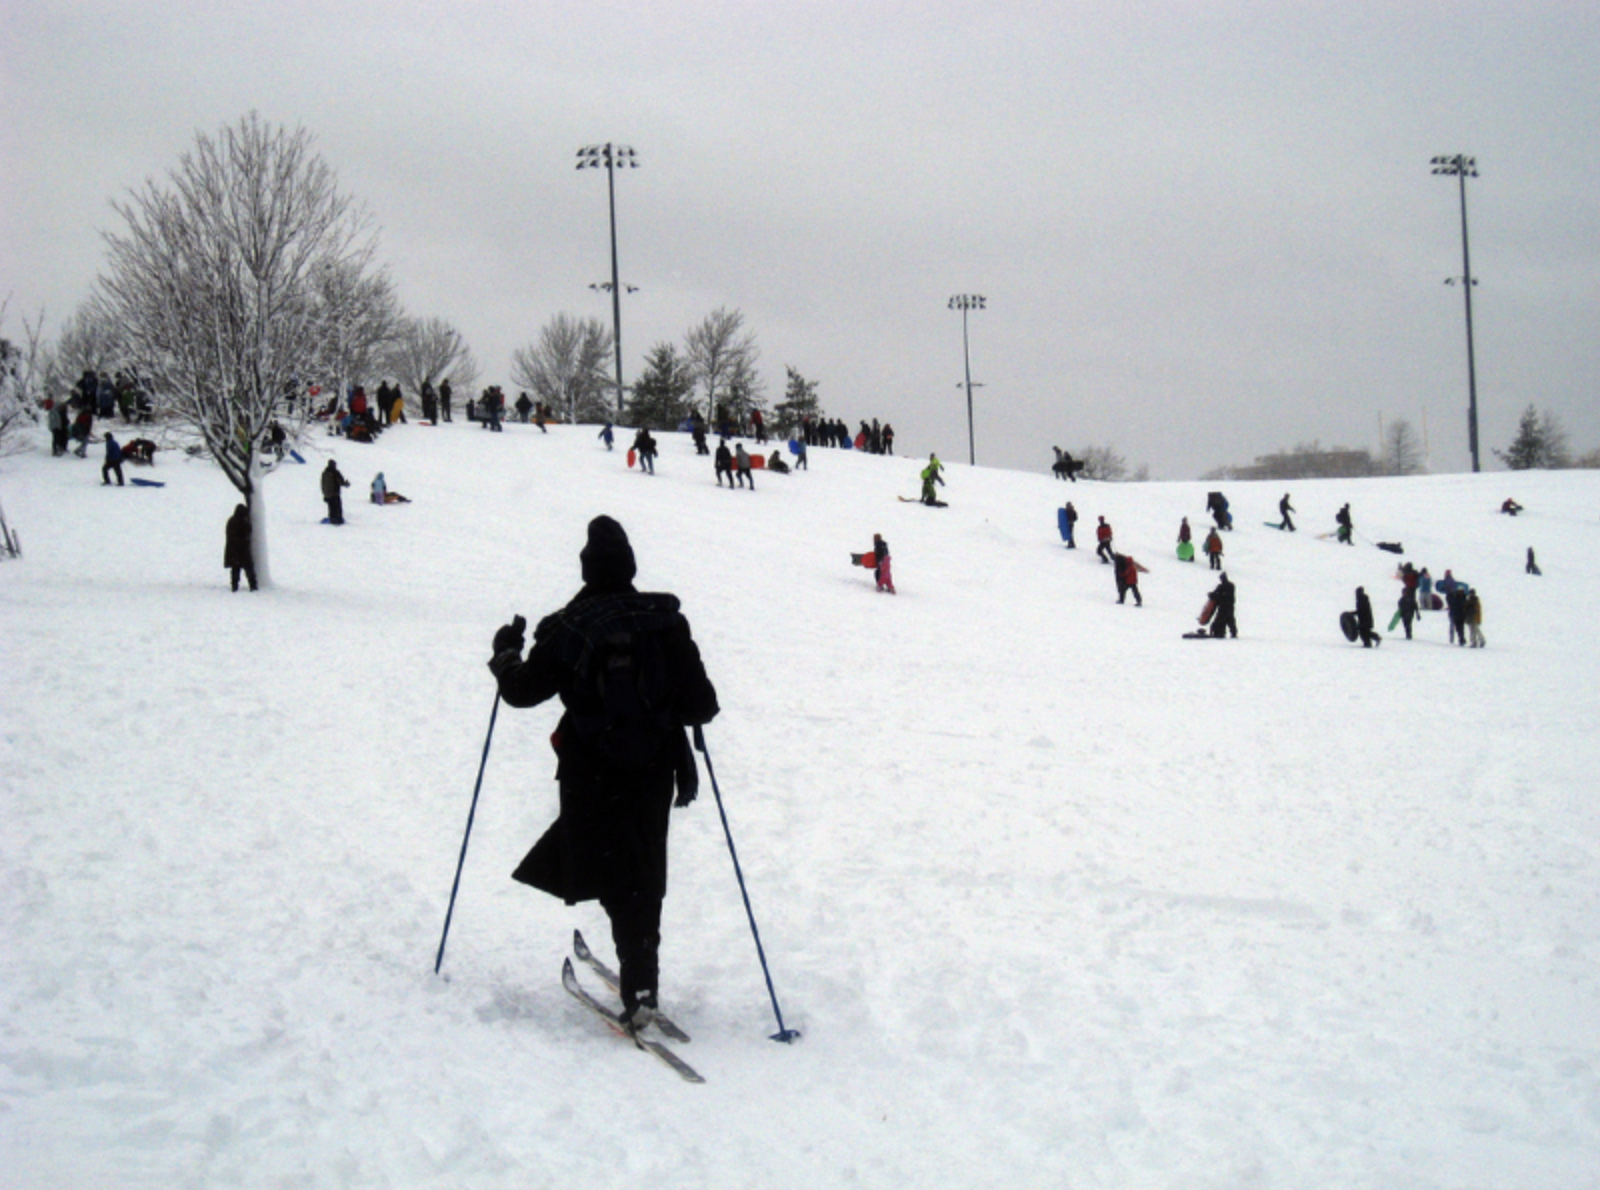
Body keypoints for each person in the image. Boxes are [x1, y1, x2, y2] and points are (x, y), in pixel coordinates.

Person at [488, 516, 719, 1031]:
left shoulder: (570, 626)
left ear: (588, 569)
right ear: (630, 567)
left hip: (591, 770)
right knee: (644, 872)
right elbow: (702, 704)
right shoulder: (665, 621)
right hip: (657, 767)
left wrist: (504, 653)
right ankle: (642, 980)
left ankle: (638, 982)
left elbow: (522, 690)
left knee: (614, 871)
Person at [224, 503, 257, 592]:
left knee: (235, 569)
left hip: (233, 550)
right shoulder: (242, 522)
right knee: (249, 569)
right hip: (242, 550)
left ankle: (234, 586)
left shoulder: (231, 521)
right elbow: (246, 533)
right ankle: (253, 586)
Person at [1207, 572, 1238, 638]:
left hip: (1224, 606)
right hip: (1229, 606)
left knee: (1221, 620)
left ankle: (1220, 633)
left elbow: (1218, 595)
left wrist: (1213, 595)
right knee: (1230, 620)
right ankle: (1233, 633)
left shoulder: (1223, 586)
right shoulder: (1231, 586)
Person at [321, 459, 349, 524]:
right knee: (337, 508)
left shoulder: (325, 473)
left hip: (327, 494)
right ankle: (338, 520)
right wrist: (346, 484)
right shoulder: (335, 473)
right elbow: (340, 481)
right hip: (335, 494)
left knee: (331, 508)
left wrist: (324, 493)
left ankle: (332, 519)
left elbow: (322, 483)